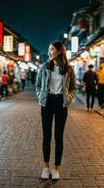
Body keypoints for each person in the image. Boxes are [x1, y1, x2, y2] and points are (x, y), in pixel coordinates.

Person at [36, 41, 76, 180]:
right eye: (48, 49)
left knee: (59, 137)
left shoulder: (68, 69)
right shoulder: (45, 67)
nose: (49, 52)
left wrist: (68, 99)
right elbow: (38, 85)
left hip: (61, 103)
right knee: (46, 136)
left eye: (51, 49)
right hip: (47, 103)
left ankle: (56, 168)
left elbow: (73, 87)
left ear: (59, 51)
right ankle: (46, 167)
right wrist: (40, 96)